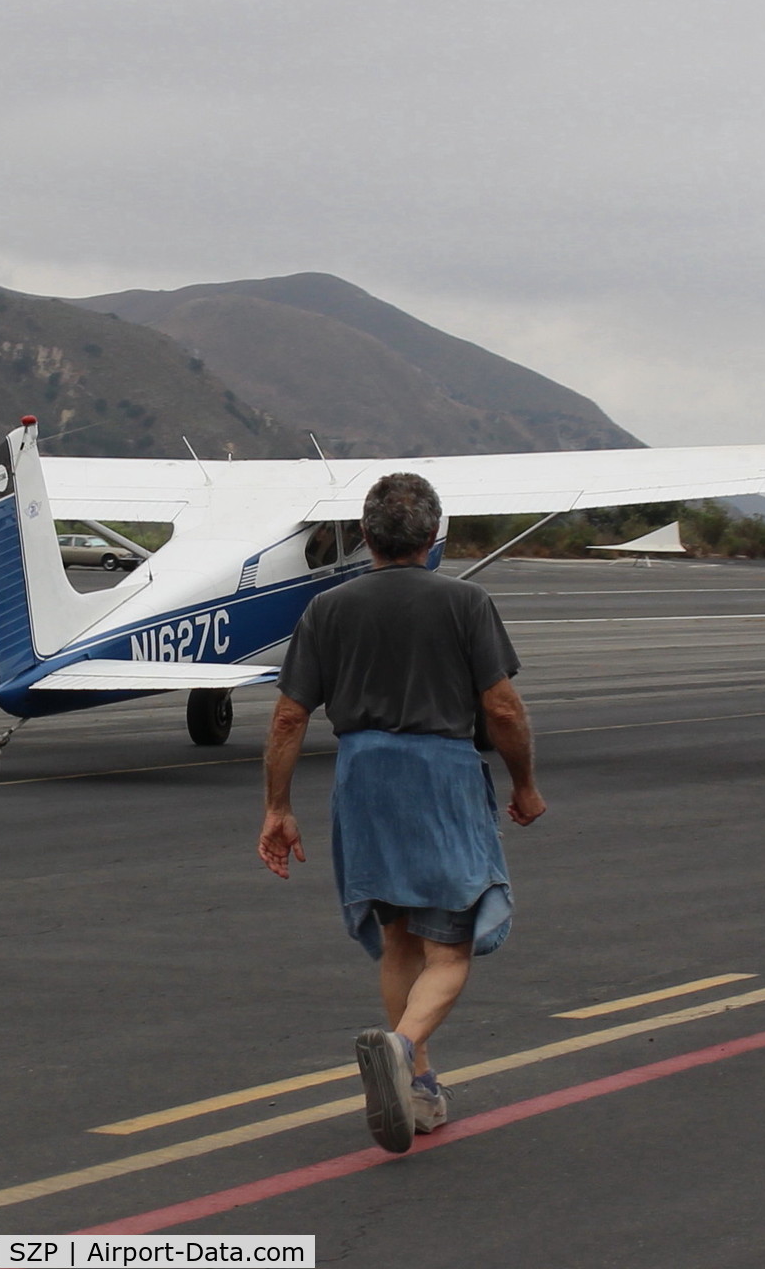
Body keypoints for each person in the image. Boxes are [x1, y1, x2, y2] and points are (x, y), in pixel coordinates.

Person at [258, 472, 546, 1154]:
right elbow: (501, 707)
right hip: (437, 773)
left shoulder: (326, 608)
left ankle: (419, 1089)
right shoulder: (466, 602)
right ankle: (402, 1046)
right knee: (452, 944)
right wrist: (525, 783)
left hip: (362, 775)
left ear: (365, 536)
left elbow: (289, 716)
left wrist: (277, 806)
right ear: (432, 536)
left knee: (398, 940)